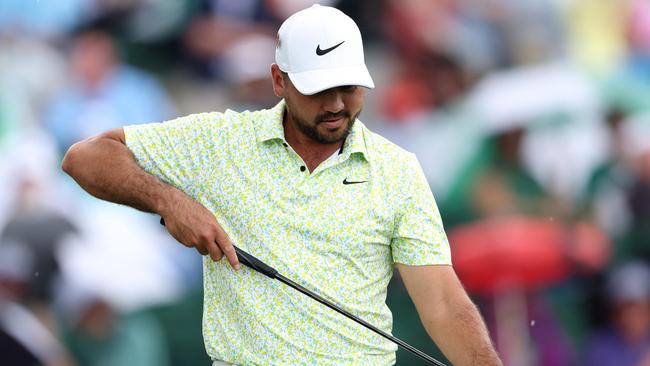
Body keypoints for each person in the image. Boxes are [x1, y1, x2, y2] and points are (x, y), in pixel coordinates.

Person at [61, 5, 501, 366]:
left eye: (348, 88)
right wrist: (170, 200)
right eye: (318, 89)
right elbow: (84, 157)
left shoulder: (398, 169)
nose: (335, 105)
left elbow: (442, 302)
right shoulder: (219, 142)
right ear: (279, 81)